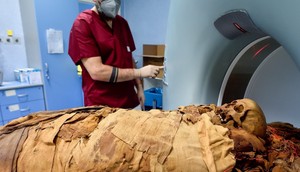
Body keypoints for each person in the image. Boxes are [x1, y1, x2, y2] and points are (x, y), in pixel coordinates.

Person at [68, 0, 162, 109]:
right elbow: (97, 71)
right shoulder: (83, 24)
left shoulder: (122, 23)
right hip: (101, 105)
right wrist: (140, 72)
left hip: (128, 101)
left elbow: (128, 57)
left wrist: (139, 87)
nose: (113, 2)